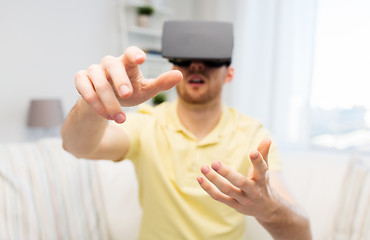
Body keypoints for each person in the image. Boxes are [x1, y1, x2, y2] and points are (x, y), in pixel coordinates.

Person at [61, 21, 311, 240]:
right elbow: (77, 146)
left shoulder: (252, 134)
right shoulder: (148, 123)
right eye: (185, 60)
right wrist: (94, 102)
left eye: (210, 60)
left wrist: (268, 207)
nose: (196, 66)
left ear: (229, 74)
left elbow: (302, 234)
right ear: (173, 70)